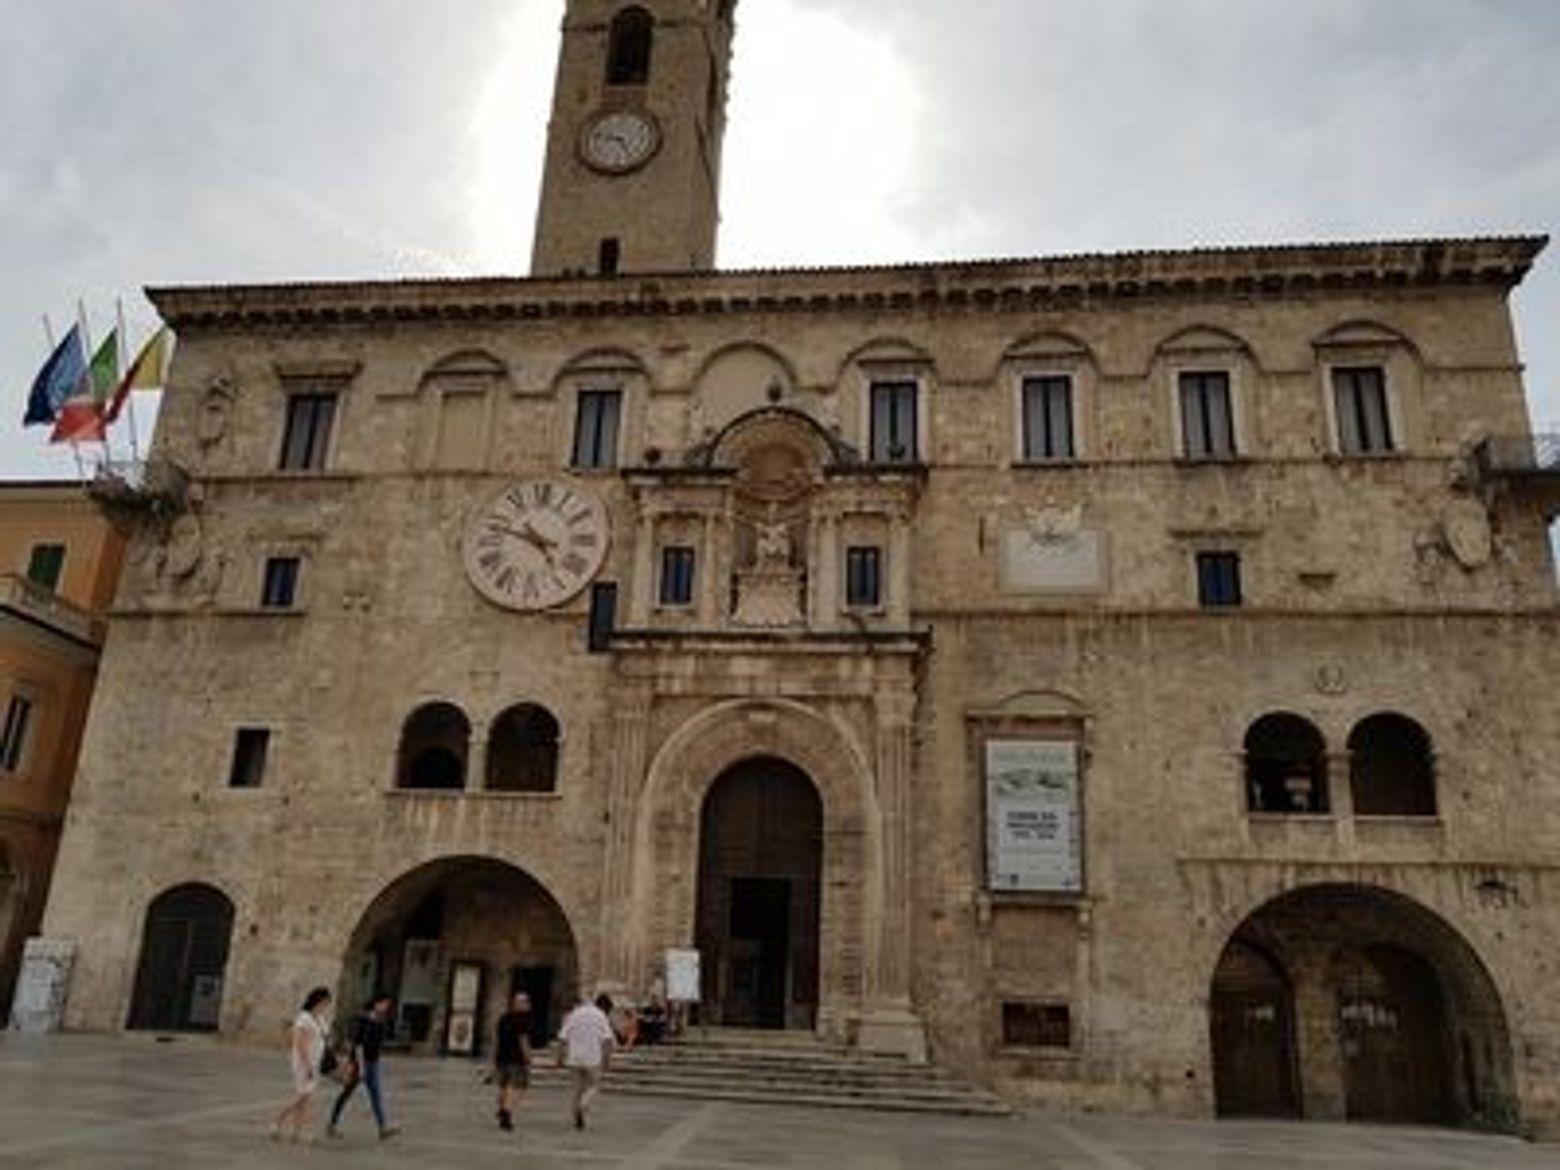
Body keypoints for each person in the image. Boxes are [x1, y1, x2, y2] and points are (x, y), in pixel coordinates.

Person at [327, 994, 399, 1140]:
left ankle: (383, 1128)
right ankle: (332, 1124)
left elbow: (375, 1046)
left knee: (376, 1096)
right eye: (384, 1003)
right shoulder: (365, 1021)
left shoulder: (380, 1021)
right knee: (346, 1094)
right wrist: (360, 1067)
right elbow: (358, 1045)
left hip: (373, 1063)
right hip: (360, 1062)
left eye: (388, 1004)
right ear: (376, 1004)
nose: (386, 1007)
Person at [270, 986, 332, 1143]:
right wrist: (308, 1065)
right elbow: (300, 1043)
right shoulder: (304, 1018)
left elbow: (322, 1040)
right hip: (304, 1062)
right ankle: (278, 1119)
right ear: (317, 1001)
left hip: (316, 1061)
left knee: (305, 1098)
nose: (326, 1006)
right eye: (325, 1002)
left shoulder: (320, 1018)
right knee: (304, 1096)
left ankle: (296, 1132)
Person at [556, 993, 616, 1131]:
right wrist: (607, 1059)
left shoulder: (574, 1014)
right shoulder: (600, 1016)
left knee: (577, 1090)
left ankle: (577, 1120)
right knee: (595, 1085)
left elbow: (562, 1037)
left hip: (574, 1057)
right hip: (592, 1058)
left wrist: (559, 1057)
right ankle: (583, 1106)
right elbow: (607, 1040)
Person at [492, 991, 532, 1131]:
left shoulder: (503, 1018)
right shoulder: (522, 1019)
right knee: (515, 1087)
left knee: (504, 1086)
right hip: (516, 1058)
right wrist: (528, 1057)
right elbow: (523, 1040)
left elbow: (497, 1039)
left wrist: (495, 1057)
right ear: (519, 1004)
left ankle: (502, 1109)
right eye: (526, 1002)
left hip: (502, 1057)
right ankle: (506, 1113)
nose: (528, 1005)